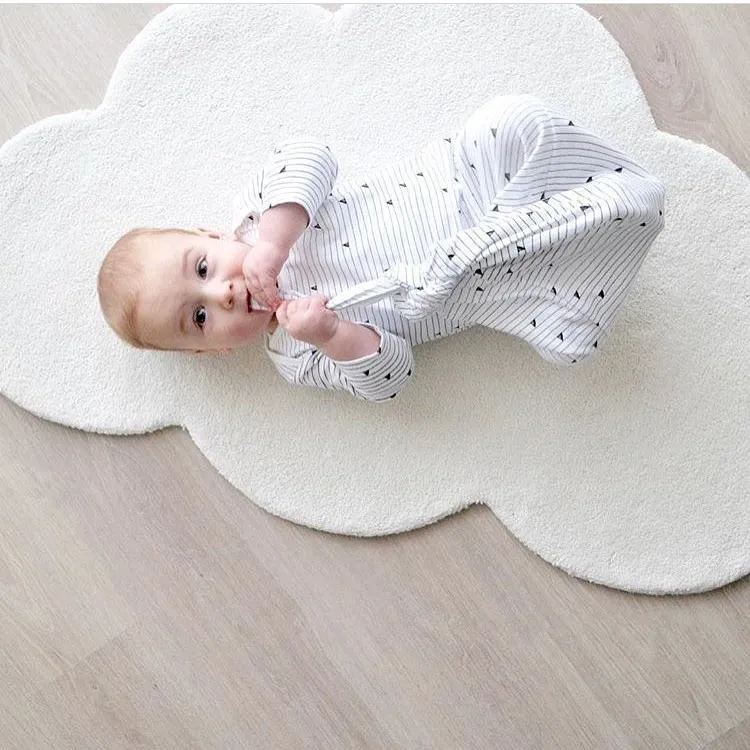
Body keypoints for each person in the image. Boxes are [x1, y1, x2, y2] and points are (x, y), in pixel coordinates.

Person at [97, 94, 665, 403]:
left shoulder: (260, 214)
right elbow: (392, 378)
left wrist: (274, 240)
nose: (221, 293)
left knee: (507, 120)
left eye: (203, 267)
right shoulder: (295, 357)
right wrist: (331, 335)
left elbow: (310, 154)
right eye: (198, 318)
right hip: (488, 281)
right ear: (215, 351)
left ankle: (602, 190)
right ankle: (607, 216)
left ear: (214, 236)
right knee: (572, 340)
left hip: (467, 183)